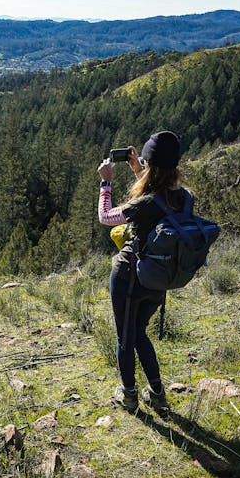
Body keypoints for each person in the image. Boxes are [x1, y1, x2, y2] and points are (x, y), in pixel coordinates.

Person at [97, 131, 186, 417]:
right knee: (139, 334)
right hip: (159, 279)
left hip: (129, 277)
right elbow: (157, 201)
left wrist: (106, 182)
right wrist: (138, 170)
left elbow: (106, 217)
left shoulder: (146, 203)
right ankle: (158, 395)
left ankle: (130, 396)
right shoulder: (183, 197)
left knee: (125, 338)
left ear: (151, 165)